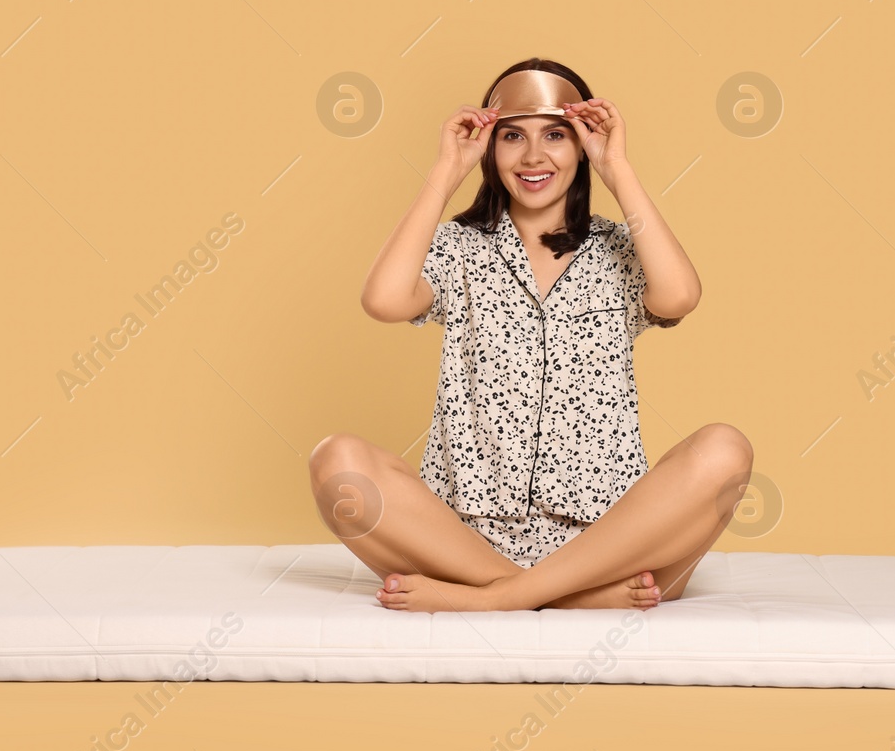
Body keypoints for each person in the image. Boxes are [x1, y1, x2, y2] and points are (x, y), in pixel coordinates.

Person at [311, 58, 754, 613]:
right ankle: (559, 598)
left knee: (725, 448)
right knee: (336, 460)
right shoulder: (461, 248)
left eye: (556, 136)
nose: (534, 157)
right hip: (457, 542)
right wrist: (446, 173)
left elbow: (679, 296)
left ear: (582, 148)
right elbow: (384, 300)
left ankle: (502, 598)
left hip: (613, 546)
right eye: (513, 136)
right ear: (490, 149)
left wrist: (617, 169)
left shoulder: (620, 248)